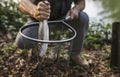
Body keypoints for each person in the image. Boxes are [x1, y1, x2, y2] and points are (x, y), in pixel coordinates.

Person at [15, 0, 89, 67]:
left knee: (83, 18)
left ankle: (75, 54)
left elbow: (81, 2)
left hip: (64, 19)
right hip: (39, 21)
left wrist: (76, 9)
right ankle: (36, 49)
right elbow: (23, 3)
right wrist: (35, 11)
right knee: (22, 42)